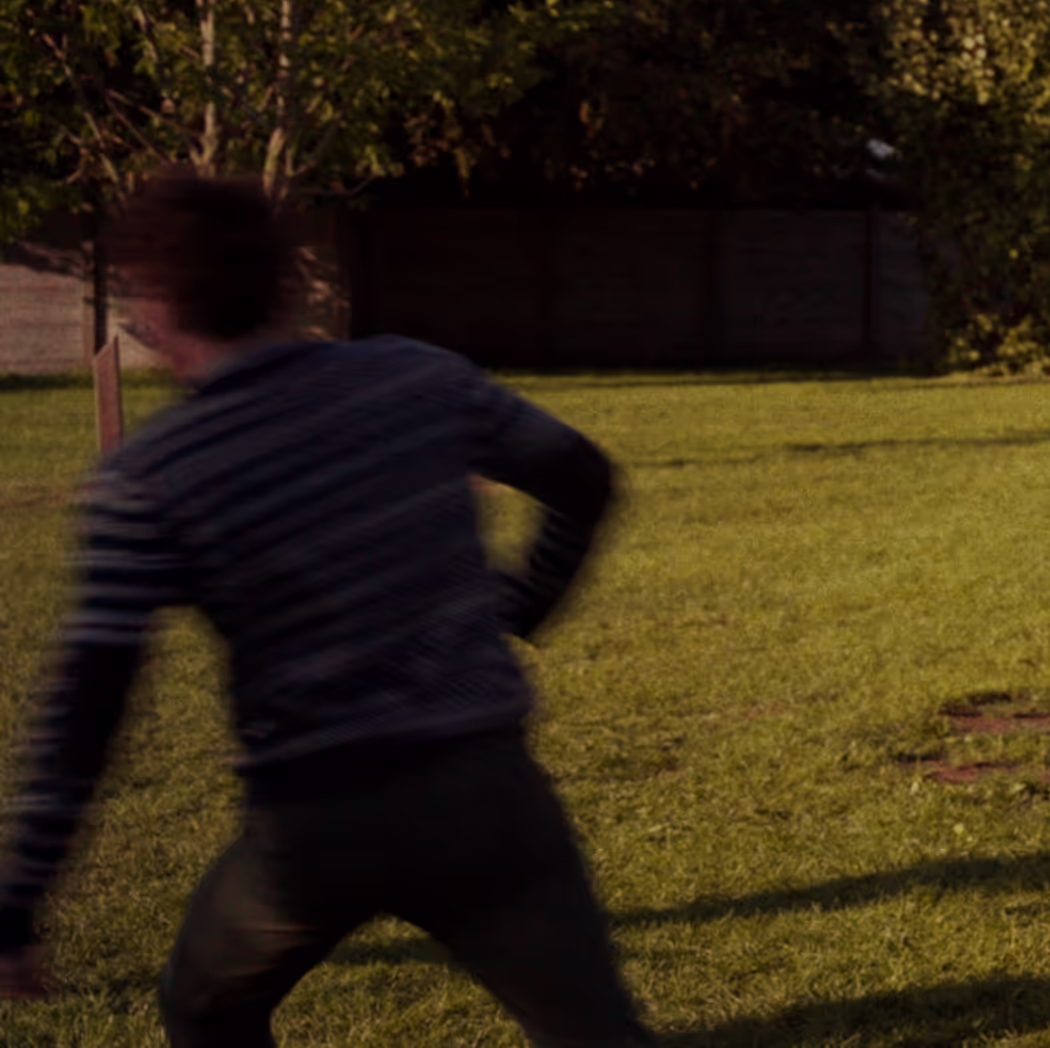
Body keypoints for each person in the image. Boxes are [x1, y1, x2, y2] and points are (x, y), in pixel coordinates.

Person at [0, 173, 652, 1045]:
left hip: (313, 826)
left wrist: (18, 901)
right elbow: (583, 476)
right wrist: (520, 602)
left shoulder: (153, 476)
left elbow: (91, 700)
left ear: (153, 305)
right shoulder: (420, 380)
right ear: (290, 280)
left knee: (205, 1006)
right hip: (486, 792)